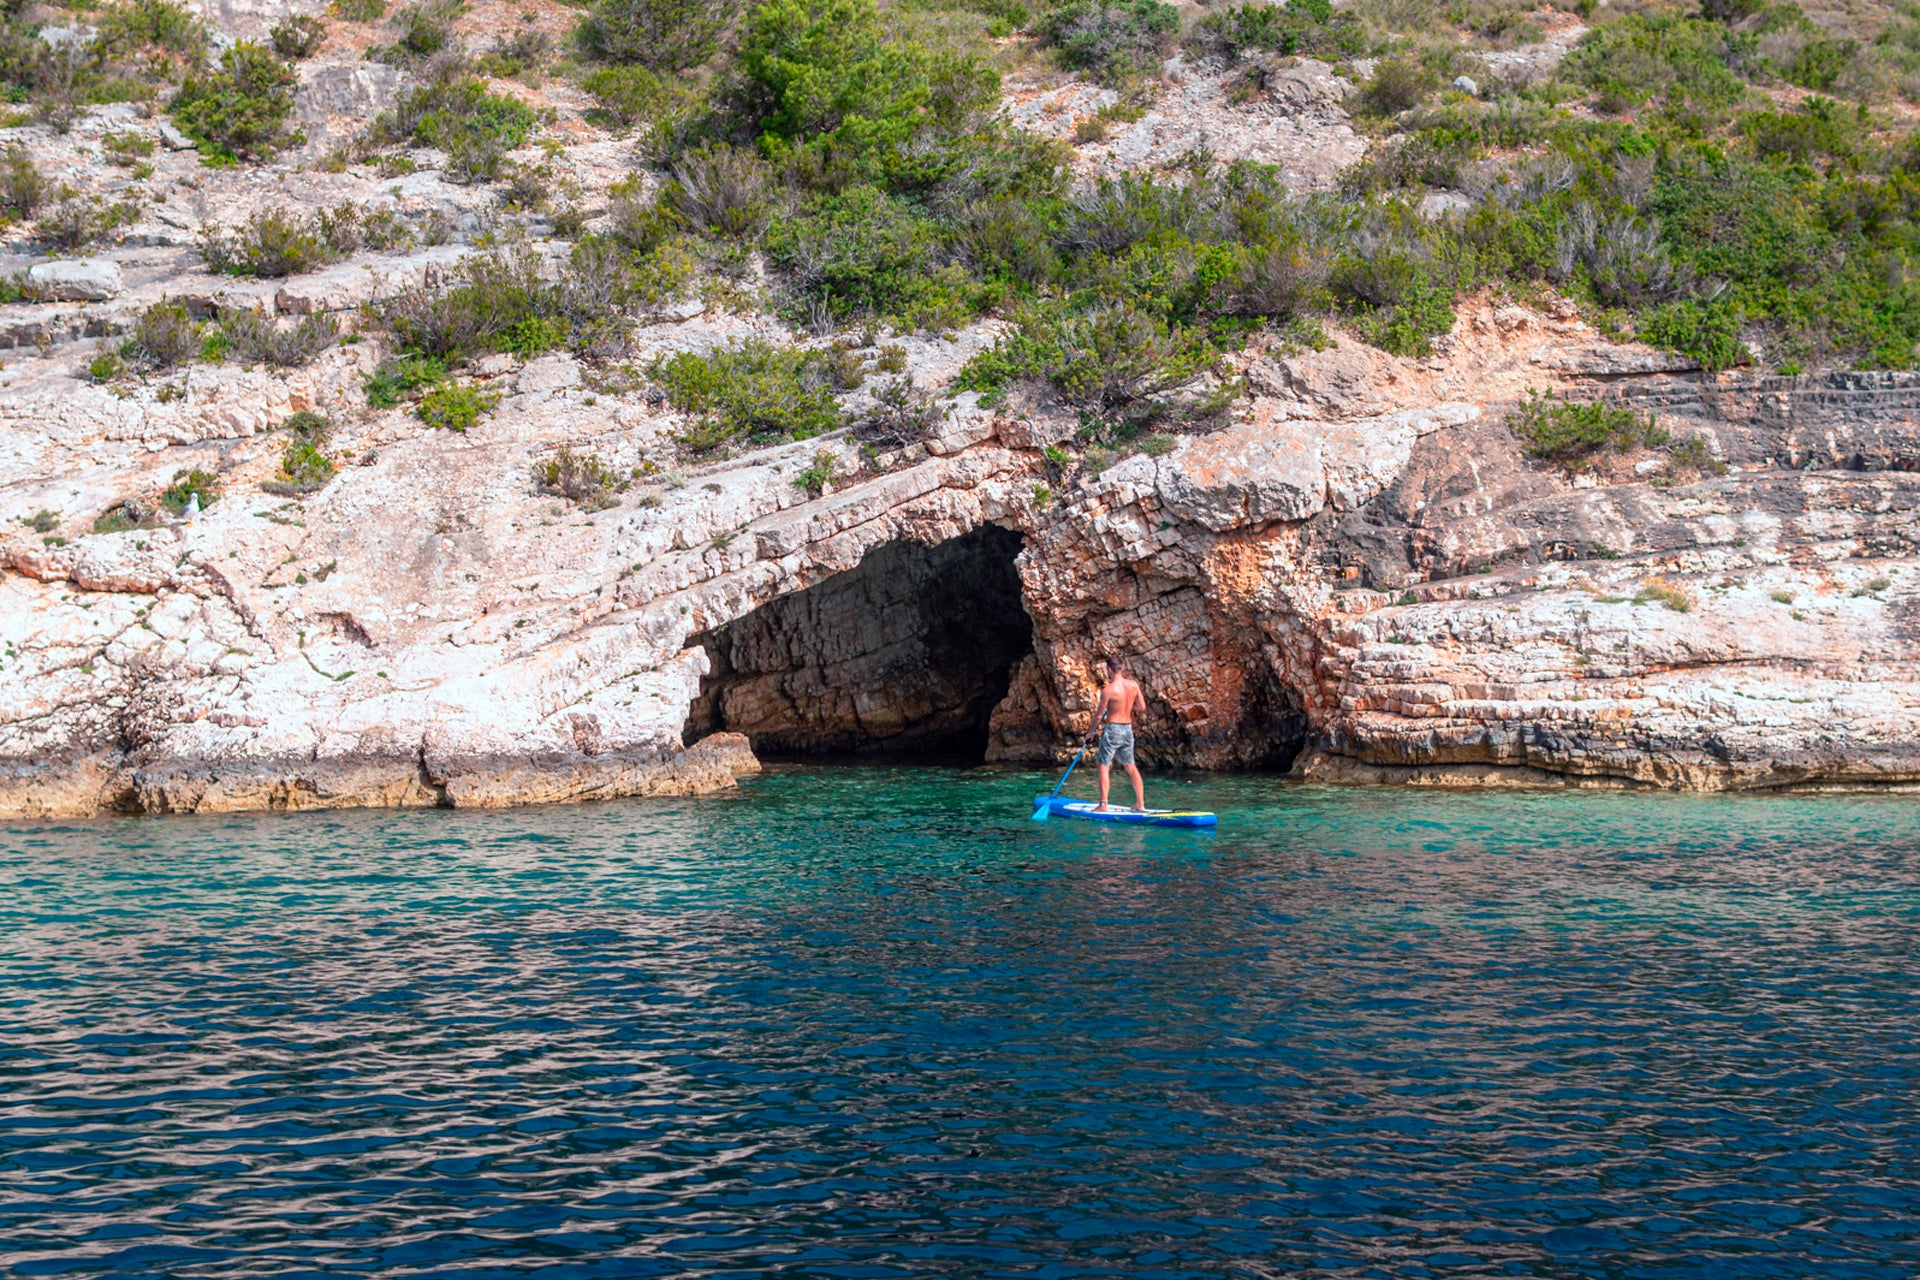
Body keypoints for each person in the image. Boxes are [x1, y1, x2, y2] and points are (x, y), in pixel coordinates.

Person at [1086, 655, 1147, 812]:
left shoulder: (1108, 690)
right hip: (1127, 729)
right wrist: (1126, 707)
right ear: (1122, 668)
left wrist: (1090, 732)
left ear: (1109, 670)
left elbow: (1099, 715)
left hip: (1113, 729)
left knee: (1103, 765)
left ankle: (1103, 804)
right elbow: (1141, 707)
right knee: (1131, 766)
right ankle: (1140, 804)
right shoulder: (1133, 685)